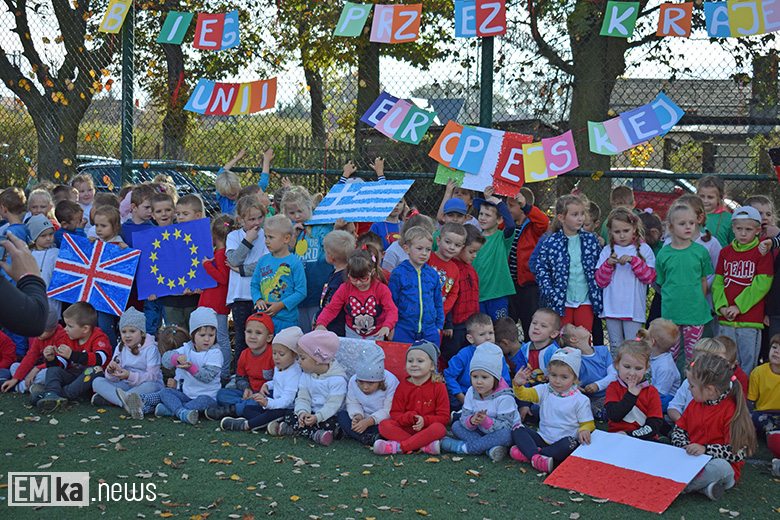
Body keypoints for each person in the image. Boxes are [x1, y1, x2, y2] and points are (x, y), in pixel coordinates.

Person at [671, 353, 756, 501]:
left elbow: (736, 453)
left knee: (718, 468)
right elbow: (679, 429)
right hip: (692, 459)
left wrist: (706, 449)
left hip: (721, 466)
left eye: (692, 386)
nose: (689, 389)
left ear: (710, 390)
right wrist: (684, 445)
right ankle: (705, 489)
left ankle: (680, 488)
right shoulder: (695, 404)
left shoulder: (731, 410)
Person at [119, 308, 223, 425]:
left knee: (203, 401)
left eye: (211, 335)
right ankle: (141, 400)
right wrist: (176, 358)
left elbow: (207, 376)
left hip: (207, 398)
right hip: (185, 395)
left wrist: (190, 367)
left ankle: (172, 410)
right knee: (165, 392)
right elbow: (166, 359)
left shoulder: (215, 353)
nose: (207, 339)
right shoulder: (187, 348)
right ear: (193, 334)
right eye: (202, 335)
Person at [510, 347, 594, 473]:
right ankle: (537, 457)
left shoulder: (580, 400)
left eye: (564, 377)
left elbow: (588, 423)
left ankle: (529, 453)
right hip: (543, 438)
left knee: (570, 443)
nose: (557, 381)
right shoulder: (545, 390)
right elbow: (524, 395)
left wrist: (584, 430)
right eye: (553, 375)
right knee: (517, 428)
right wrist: (518, 385)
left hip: (563, 443)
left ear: (575, 378)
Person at [281, 186, 351, 332]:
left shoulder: (322, 225)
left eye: (300, 211)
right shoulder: (290, 229)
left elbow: (330, 246)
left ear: (310, 206)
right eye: (292, 213)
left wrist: (336, 229)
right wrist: (293, 236)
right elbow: (285, 254)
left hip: (319, 287)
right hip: (298, 291)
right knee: (300, 330)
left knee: (317, 328)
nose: (297, 216)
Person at [713, 206, 773, 375]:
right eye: (739, 229)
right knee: (724, 361)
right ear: (733, 228)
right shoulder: (725, 253)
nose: (743, 233)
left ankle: (745, 399)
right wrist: (722, 306)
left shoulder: (762, 252)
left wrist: (739, 306)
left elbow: (763, 283)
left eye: (748, 229)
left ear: (757, 230)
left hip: (750, 320)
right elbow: (718, 283)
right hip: (726, 319)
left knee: (747, 365)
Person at [441, 343, 520, 460]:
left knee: (508, 434)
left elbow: (507, 425)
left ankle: (465, 448)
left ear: (496, 378)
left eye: (484, 377)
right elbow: (464, 416)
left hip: (499, 432)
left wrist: (486, 422)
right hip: (480, 431)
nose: (478, 382)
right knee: (456, 426)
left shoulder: (505, 397)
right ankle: (489, 449)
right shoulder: (471, 391)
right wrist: (471, 421)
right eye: (474, 377)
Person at [656, 203, 714, 362]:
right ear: (671, 227)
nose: (688, 227)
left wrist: (697, 302)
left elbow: (704, 280)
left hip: (695, 313)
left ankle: (690, 386)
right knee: (670, 355)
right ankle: (669, 385)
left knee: (692, 355)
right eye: (682, 224)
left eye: (692, 223)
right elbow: (661, 282)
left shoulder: (700, 251)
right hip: (671, 313)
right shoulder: (664, 253)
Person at [535, 194, 602, 331]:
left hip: (585, 300)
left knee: (583, 337)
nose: (580, 218)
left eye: (582, 214)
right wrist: (551, 293)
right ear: (561, 218)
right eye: (575, 214)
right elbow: (541, 269)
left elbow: (599, 267)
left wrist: (596, 291)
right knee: (563, 339)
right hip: (561, 301)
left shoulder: (591, 241)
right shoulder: (551, 242)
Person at [219, 326, 304, 432]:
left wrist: (267, 403)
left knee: (272, 413)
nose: (276, 357)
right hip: (275, 404)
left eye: (281, 354)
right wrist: (267, 385)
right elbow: (278, 382)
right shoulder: (280, 366)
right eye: (274, 353)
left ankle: (246, 425)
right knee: (248, 409)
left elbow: (287, 400)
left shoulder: (294, 373)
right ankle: (271, 425)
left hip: (287, 408)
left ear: (294, 355)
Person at [270, 330, 347, 446]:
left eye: (302, 358)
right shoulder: (306, 375)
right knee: (289, 414)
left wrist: (317, 417)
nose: (298, 362)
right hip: (310, 413)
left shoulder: (337, 379)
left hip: (328, 416)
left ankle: (298, 430)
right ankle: (315, 433)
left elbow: (333, 405)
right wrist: (302, 412)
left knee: (333, 423)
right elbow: (303, 397)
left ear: (317, 360)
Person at [33, 302, 112, 412]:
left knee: (95, 370)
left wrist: (72, 355)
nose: (65, 329)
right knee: (53, 370)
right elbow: (62, 364)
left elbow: (99, 359)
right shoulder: (68, 337)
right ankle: (51, 394)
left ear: (85, 329)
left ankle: (60, 395)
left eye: (70, 326)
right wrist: (52, 359)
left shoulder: (99, 337)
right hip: (74, 376)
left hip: (90, 381)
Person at [595, 207, 656, 348]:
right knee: (615, 347)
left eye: (626, 231)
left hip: (633, 309)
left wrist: (634, 261)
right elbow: (600, 281)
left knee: (633, 346)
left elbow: (649, 278)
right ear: (610, 231)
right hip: (611, 308)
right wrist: (608, 265)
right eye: (617, 232)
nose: (622, 235)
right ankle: (616, 370)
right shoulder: (606, 251)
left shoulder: (644, 249)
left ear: (634, 228)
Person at [374, 341, 449, 455]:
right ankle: (423, 446)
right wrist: (409, 417)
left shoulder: (439, 387)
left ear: (432, 365)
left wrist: (425, 421)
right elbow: (395, 413)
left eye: (420, 361)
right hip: (406, 428)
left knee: (440, 429)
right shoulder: (403, 386)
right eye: (410, 361)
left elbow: (444, 417)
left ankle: (400, 447)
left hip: (427, 429)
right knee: (384, 425)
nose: (414, 364)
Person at [316, 247, 397, 340]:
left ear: (372, 272)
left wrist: (387, 326)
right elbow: (332, 308)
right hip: (352, 333)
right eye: (353, 278)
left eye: (363, 279)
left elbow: (391, 310)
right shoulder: (345, 288)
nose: (358, 283)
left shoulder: (380, 289)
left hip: (376, 333)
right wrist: (321, 323)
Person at [226, 196, 269, 372]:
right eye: (251, 219)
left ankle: (259, 372)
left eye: (260, 217)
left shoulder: (267, 235)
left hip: (260, 295)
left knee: (261, 336)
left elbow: (264, 265)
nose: (257, 223)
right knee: (242, 337)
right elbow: (233, 259)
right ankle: (240, 374)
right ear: (241, 219)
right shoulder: (234, 236)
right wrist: (248, 240)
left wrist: (240, 270)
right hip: (239, 296)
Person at [207, 312, 275, 421]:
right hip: (251, 393)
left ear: (269, 337)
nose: (252, 336)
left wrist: (262, 393)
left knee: (267, 398)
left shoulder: (273, 354)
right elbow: (240, 378)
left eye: (258, 333)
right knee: (221, 394)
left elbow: (280, 382)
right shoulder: (244, 354)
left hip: (268, 394)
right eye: (249, 332)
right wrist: (246, 388)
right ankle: (246, 406)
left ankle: (234, 410)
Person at [90, 307, 163, 407]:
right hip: (126, 385)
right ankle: (126, 402)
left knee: (151, 386)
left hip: (145, 385)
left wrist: (129, 375)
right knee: (97, 381)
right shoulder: (121, 347)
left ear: (142, 333)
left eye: (132, 331)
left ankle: (114, 400)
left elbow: (152, 377)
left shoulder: (151, 348)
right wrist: (111, 372)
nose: (127, 335)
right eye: (124, 332)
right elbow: (114, 379)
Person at [251, 215, 307, 333]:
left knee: (283, 350)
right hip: (263, 319)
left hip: (286, 320)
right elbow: (254, 285)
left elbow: (301, 292)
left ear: (286, 239)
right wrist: (258, 300)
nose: (266, 241)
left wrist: (281, 305)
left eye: (271, 237)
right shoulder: (262, 261)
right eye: (265, 237)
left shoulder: (295, 263)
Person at [388, 226, 443, 344]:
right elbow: (391, 303)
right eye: (419, 248)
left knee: (429, 361)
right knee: (402, 361)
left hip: (429, 331)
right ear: (406, 249)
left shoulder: (432, 274)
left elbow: (438, 302)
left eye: (428, 249)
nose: (424, 253)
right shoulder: (398, 273)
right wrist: (391, 327)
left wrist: (438, 327)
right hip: (403, 330)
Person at [506, 187, 549, 340]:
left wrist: (527, 207)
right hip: (509, 285)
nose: (507, 208)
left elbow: (544, 222)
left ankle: (531, 352)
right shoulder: (505, 225)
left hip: (528, 285)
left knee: (529, 322)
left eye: (511, 205)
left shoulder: (534, 227)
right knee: (508, 323)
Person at [336, 343, 399, 445]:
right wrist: (357, 415)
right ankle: (367, 437)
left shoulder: (391, 381)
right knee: (342, 416)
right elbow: (352, 402)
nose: (365, 387)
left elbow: (389, 410)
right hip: (363, 416)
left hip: (381, 419)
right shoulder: (353, 381)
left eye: (370, 383)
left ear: (380, 381)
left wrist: (369, 421)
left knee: (390, 426)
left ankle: (358, 434)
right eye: (361, 382)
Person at [444, 314, 511, 409]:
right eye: (482, 334)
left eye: (491, 333)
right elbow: (449, 375)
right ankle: (457, 414)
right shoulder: (464, 354)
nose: (488, 337)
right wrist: (459, 395)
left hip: (492, 396)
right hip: (466, 394)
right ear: (470, 338)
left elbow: (505, 379)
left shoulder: (497, 353)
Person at [472, 186, 517, 321]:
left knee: (500, 328)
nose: (482, 218)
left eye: (488, 215)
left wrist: (498, 203)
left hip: (497, 294)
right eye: (481, 214)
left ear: (499, 220)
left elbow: (510, 225)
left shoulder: (502, 238)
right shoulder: (474, 238)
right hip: (478, 295)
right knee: (480, 329)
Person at [200, 214, 235, 382]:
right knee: (214, 337)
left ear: (214, 234)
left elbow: (223, 278)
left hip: (217, 304)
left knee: (221, 337)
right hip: (211, 303)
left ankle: (224, 372)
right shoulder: (218, 253)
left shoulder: (221, 254)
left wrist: (207, 265)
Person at [604, 338, 663, 440]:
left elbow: (654, 425)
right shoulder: (613, 387)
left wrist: (630, 435)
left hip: (644, 439)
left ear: (646, 369)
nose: (632, 373)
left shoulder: (652, 392)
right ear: (617, 364)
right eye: (627, 367)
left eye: (638, 368)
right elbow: (614, 416)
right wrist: (631, 396)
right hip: (617, 436)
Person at [443, 224, 485, 361]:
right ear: (461, 247)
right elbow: (447, 298)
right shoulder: (452, 268)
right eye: (471, 251)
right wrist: (448, 324)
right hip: (454, 327)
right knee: (451, 356)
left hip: (469, 325)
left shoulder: (471, 270)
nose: (475, 255)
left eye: (476, 252)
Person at [560, 323, 614, 417]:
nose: (581, 326)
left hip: (609, 393)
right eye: (575, 327)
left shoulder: (603, 350)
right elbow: (568, 380)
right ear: (573, 340)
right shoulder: (574, 359)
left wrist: (597, 385)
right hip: (588, 397)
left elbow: (614, 374)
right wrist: (575, 387)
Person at [316, 230, 355, 337]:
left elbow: (330, 304)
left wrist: (318, 318)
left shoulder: (339, 280)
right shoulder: (342, 274)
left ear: (331, 257)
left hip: (333, 327)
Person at [25, 214, 61, 331]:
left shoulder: (56, 253)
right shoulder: (28, 253)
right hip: (33, 296)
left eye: (51, 234)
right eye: (43, 236)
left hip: (52, 297)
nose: (48, 238)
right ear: (34, 237)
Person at [215, 148, 273, 216]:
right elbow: (220, 174)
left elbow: (263, 183)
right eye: (232, 195)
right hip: (228, 225)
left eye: (237, 191)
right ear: (223, 194)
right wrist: (237, 158)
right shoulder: (223, 198)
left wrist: (266, 160)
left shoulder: (247, 196)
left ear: (239, 184)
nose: (237, 195)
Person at [640, 318, 681, 411]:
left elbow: (659, 393)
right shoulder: (653, 356)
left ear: (652, 342)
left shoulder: (665, 367)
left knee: (664, 401)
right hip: (650, 392)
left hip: (662, 399)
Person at [747, 334, 780, 438]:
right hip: (763, 413)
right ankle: (773, 434)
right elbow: (751, 401)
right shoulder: (758, 372)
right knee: (753, 418)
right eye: (774, 347)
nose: (776, 351)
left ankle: (772, 434)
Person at [697, 175, 734, 248]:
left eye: (710, 197)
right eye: (702, 196)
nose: (705, 201)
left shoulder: (728, 218)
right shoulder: (691, 215)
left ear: (719, 198)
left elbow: (732, 242)